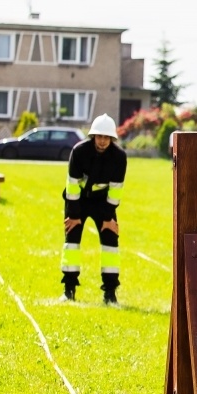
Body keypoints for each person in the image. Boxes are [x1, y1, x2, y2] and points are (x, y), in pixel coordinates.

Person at [60, 114, 127, 304]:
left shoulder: (120, 157)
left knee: (110, 243)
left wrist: (108, 217)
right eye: (99, 137)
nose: (103, 141)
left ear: (112, 138)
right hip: (77, 201)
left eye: (106, 137)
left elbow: (115, 191)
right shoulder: (78, 151)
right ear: (93, 136)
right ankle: (69, 290)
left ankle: (110, 293)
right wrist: (73, 215)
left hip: (103, 203)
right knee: (71, 242)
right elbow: (72, 185)